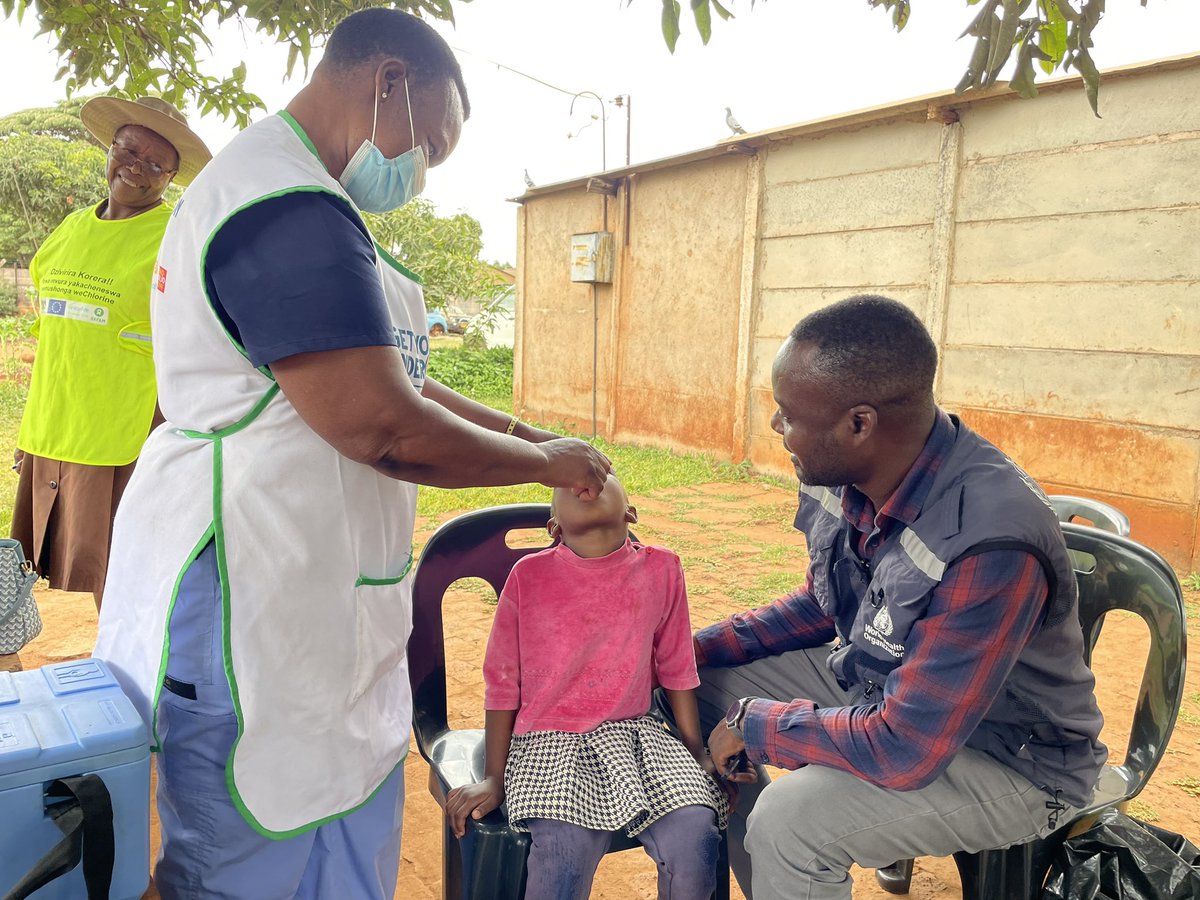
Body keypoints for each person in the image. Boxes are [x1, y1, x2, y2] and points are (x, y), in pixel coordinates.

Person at [92, 9, 610, 899]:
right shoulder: (278, 206)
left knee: (340, 834)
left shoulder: (320, 207)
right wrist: (544, 469)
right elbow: (384, 426)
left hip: (323, 597)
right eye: (431, 148)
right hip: (253, 590)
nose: (420, 174)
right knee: (243, 858)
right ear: (389, 84)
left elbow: (400, 379)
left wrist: (532, 436)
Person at [697, 295, 1107, 900]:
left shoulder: (989, 541)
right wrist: (698, 647)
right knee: (704, 685)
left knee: (791, 823)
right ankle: (779, 886)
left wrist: (759, 726)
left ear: (858, 424)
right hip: (887, 686)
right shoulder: (859, 473)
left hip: (1008, 755)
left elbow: (905, 748)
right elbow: (823, 604)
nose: (778, 428)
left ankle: (790, 863)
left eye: (788, 414)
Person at [446, 474, 728, 900]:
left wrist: (696, 753)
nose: (586, 484)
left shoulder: (662, 568)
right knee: (565, 852)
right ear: (554, 527)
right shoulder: (528, 575)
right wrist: (493, 778)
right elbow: (502, 680)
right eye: (571, 483)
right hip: (548, 745)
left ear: (630, 513)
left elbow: (677, 668)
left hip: (638, 737)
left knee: (696, 834)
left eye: (601, 478)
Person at [11, 96, 210, 611]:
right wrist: (36, 433)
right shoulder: (71, 229)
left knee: (121, 574)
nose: (135, 168)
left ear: (170, 177)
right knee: (38, 565)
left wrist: (161, 443)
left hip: (125, 438)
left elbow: (192, 340)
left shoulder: (175, 238)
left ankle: (136, 680)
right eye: (128, 150)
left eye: (154, 164)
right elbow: (57, 336)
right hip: (55, 429)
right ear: (110, 148)